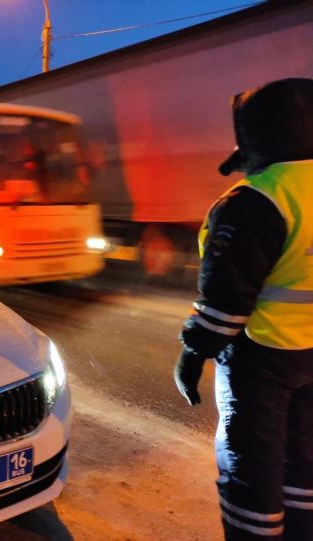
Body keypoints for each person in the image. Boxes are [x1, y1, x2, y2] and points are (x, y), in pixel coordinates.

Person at [174, 78, 313, 541]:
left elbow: (225, 302)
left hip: (262, 358)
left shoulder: (254, 199)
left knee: (249, 466)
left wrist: (192, 356)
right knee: (303, 462)